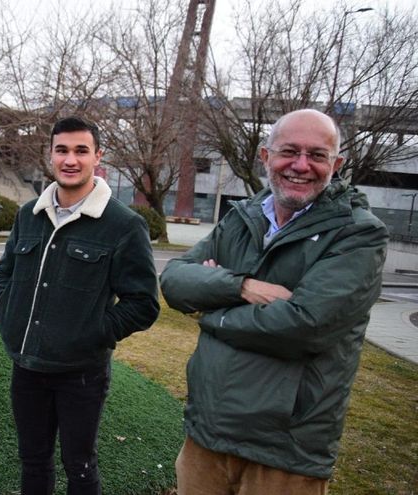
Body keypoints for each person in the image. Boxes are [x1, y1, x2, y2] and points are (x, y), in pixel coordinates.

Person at [160, 108, 388, 494]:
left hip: (284, 451)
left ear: (337, 163)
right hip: (206, 435)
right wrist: (241, 287)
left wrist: (210, 309)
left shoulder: (359, 234)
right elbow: (174, 280)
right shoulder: (242, 217)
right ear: (266, 156)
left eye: (317, 155)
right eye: (289, 152)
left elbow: (303, 326)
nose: (301, 165)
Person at [0, 116, 160, 494]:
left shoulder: (123, 225)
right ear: (50, 155)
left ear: (97, 157)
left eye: (81, 151)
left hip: (81, 374)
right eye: (62, 150)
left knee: (79, 467)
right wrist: (9, 318)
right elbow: (4, 274)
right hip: (27, 366)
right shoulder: (28, 214)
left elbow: (143, 304)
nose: (71, 159)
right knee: (33, 461)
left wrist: (90, 334)